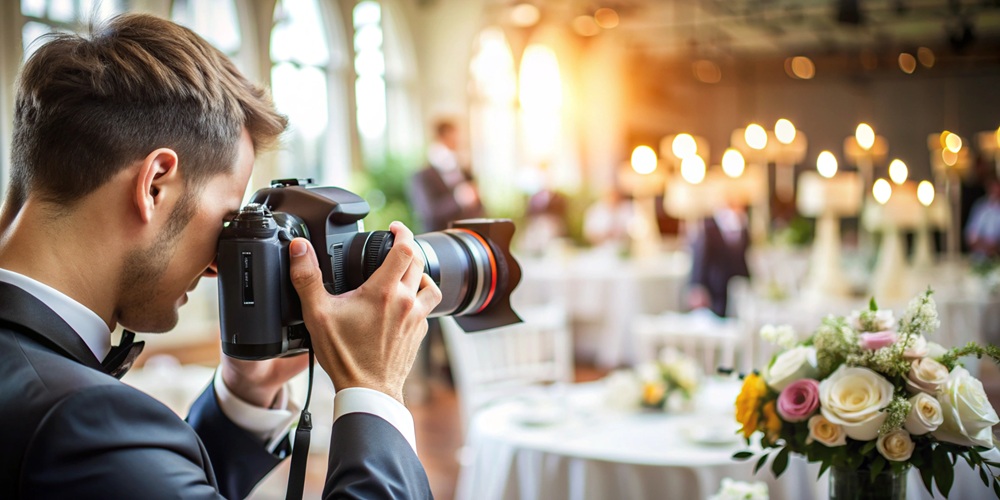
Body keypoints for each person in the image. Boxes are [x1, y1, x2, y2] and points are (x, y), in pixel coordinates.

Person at [0, 13, 441, 499]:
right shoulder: (80, 422)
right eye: (228, 219)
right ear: (155, 185)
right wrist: (374, 389)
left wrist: (243, 396)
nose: (218, 266)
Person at [408, 119, 485, 232]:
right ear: (441, 137)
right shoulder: (422, 176)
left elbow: (479, 206)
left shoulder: (464, 170)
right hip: (438, 238)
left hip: (467, 235)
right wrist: (458, 199)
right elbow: (429, 214)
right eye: (453, 137)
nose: (458, 141)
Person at [688, 202, 750, 317]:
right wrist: (697, 285)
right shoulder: (709, 225)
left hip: (735, 284)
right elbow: (700, 257)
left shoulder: (743, 224)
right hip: (715, 286)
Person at [965, 178, 1000, 260]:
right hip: (980, 259)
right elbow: (970, 236)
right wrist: (985, 246)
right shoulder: (980, 207)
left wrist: (995, 247)